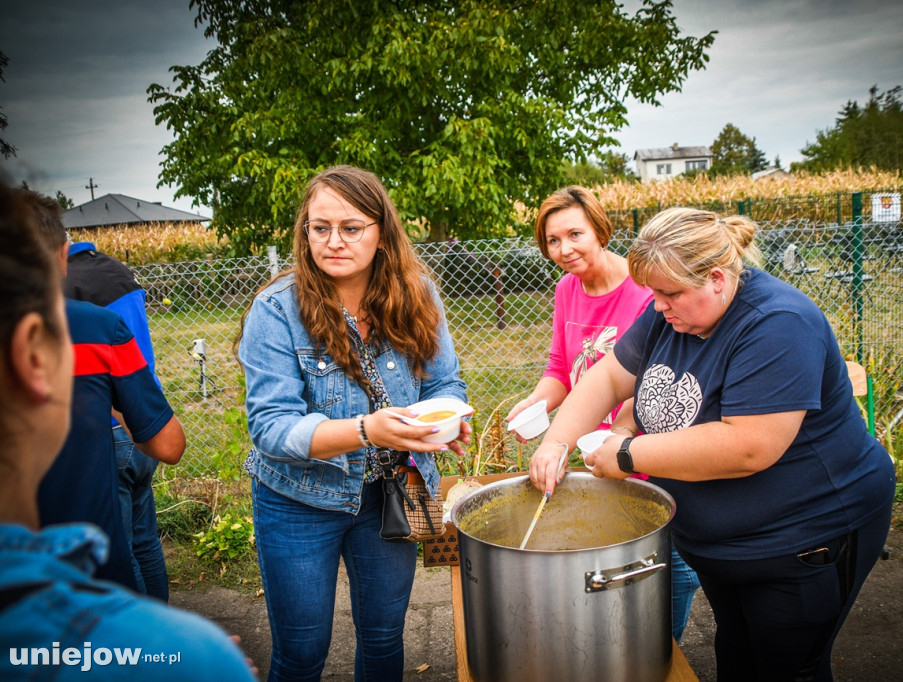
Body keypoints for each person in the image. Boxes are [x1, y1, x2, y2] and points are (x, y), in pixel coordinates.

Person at [528, 207, 895, 681]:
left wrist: (625, 455)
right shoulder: (671, 310)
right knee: (739, 655)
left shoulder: (778, 324)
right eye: (655, 293)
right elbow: (609, 377)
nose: (657, 305)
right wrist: (556, 441)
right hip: (726, 545)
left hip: (804, 540)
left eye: (669, 293)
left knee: (787, 668)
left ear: (718, 279)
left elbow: (746, 446)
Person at [0, 182, 255, 681]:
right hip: (122, 471)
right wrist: (161, 644)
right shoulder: (94, 321)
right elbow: (168, 443)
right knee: (141, 545)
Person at [236, 165, 470, 682]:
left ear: (380, 234)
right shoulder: (276, 309)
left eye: (351, 227)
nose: (333, 240)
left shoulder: (419, 295)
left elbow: (444, 384)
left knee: (385, 637)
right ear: (305, 232)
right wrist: (368, 431)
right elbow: (272, 430)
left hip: (394, 491)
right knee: (301, 651)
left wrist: (446, 419)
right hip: (298, 500)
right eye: (320, 228)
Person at [504, 185, 700, 642]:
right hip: (597, 454)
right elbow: (560, 368)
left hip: (645, 451)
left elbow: (653, 377)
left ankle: (661, 650)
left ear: (600, 229)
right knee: (614, 569)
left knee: (667, 573)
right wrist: (536, 404)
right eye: (552, 240)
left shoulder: (644, 290)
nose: (564, 249)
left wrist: (621, 434)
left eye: (575, 234)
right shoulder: (567, 289)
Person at [24, 191, 185, 593]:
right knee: (139, 542)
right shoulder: (109, 299)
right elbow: (169, 445)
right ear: (62, 252)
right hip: (130, 420)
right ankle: (152, 631)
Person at [65, 237, 171, 600]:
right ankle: (164, 623)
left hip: (107, 428)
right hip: (145, 416)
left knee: (120, 553)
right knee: (146, 543)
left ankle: (142, 640)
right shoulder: (118, 271)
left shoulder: (66, 286)